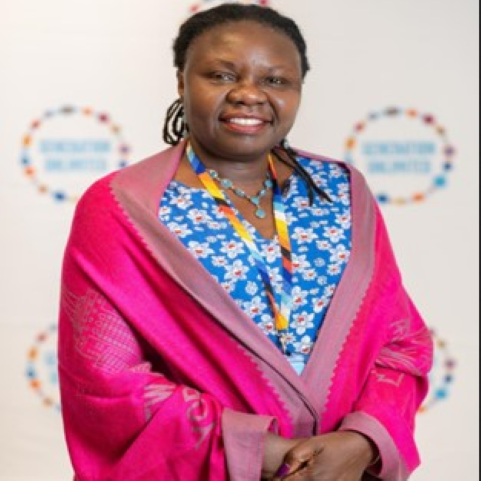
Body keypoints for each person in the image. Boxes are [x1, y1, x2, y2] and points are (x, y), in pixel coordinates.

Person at [58, 4, 433, 481]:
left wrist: (363, 441)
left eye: (276, 80)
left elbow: (400, 342)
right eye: (221, 75)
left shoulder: (342, 190)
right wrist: (257, 450)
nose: (249, 94)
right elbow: (105, 379)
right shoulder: (122, 205)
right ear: (181, 82)